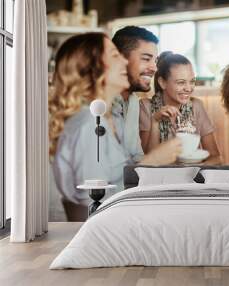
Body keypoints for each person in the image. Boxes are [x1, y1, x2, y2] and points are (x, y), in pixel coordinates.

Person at [49, 33, 181, 220]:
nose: (125, 62)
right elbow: (96, 202)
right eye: (114, 55)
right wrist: (153, 161)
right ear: (92, 68)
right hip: (104, 233)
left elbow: (117, 180)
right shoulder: (89, 124)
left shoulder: (110, 118)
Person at [139, 51, 221, 164]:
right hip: (159, 179)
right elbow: (147, 162)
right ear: (162, 82)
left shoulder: (196, 106)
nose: (188, 88)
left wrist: (194, 171)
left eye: (192, 81)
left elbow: (216, 158)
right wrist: (155, 122)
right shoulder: (146, 107)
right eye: (181, 82)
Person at [110, 25, 160, 162]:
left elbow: (136, 156)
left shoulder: (133, 101)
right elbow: (105, 169)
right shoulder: (100, 106)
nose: (154, 68)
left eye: (155, 60)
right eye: (146, 59)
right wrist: (157, 159)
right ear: (120, 59)